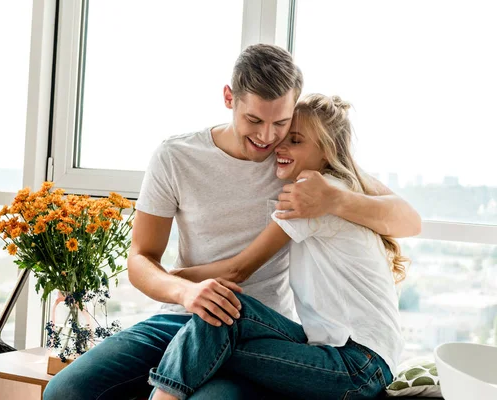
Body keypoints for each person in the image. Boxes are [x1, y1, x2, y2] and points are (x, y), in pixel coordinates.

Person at [43, 44, 420, 400]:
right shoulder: (177, 156)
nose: (268, 137)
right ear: (229, 98)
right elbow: (141, 260)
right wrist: (185, 292)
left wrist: (335, 198)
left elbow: (408, 219)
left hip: (260, 328)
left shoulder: (302, 168)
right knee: (65, 391)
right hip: (186, 313)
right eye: (253, 119)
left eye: (281, 125)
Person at [149, 93, 407, 400]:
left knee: (218, 327)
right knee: (227, 315)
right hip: (345, 352)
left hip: (357, 365)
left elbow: (238, 269)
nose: (279, 146)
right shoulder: (341, 188)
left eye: (295, 141)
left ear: (326, 152)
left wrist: (173, 278)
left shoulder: (313, 195)